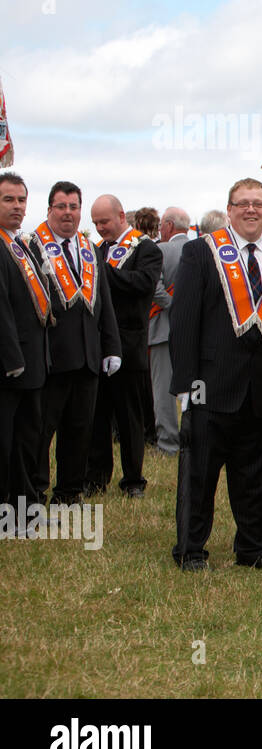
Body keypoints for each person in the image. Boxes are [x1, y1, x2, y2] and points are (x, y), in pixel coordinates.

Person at [169, 177, 262, 571]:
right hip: (209, 385)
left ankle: (253, 549)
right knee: (199, 476)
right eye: (242, 203)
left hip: (260, 389)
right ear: (229, 210)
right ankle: (191, 549)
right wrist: (184, 384)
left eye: (258, 203)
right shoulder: (200, 252)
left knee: (251, 477)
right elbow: (184, 322)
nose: (251, 210)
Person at [34, 181, 121, 506]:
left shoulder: (89, 249)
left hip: (88, 357)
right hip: (51, 358)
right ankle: (37, 491)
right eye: (62, 207)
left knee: (80, 429)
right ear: (49, 210)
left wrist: (111, 347)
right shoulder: (34, 246)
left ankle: (69, 491)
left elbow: (104, 304)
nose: (68, 213)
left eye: (73, 207)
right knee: (43, 432)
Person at [85, 194, 163, 497]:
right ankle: (96, 477)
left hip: (129, 344)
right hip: (98, 343)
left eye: (103, 221)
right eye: (95, 223)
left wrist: (105, 273)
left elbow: (142, 284)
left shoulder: (146, 248)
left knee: (129, 417)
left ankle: (133, 480)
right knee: (97, 416)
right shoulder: (97, 250)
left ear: (120, 216)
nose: (100, 228)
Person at [0, 172, 51, 511]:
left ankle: (24, 508)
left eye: (21, 200)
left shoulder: (16, 242)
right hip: (10, 367)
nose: (17, 207)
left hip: (32, 362)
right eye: (8, 199)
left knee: (26, 440)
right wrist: (13, 361)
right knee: (6, 442)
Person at [149, 207, 189, 453]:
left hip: (164, 328)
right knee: (197, 388)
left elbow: (154, 288)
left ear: (169, 226)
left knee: (163, 392)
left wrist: (176, 308)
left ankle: (168, 443)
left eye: (162, 224)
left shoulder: (160, 250)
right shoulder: (202, 248)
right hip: (194, 331)